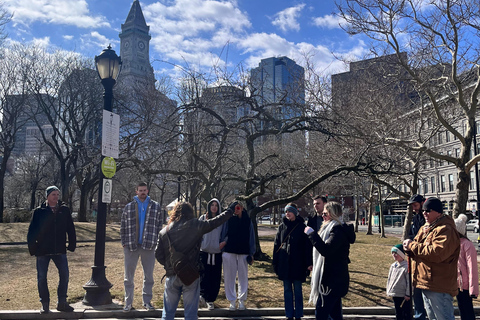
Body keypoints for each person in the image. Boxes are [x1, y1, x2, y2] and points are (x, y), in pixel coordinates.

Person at [155, 201, 241, 320]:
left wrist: (169, 265)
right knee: (190, 314)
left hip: (171, 274)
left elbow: (158, 254)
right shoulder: (196, 225)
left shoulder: (165, 231)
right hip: (191, 274)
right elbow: (215, 222)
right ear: (191, 212)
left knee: (167, 313)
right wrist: (230, 211)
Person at [403, 197, 460, 320]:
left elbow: (437, 253)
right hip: (427, 282)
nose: (424, 213)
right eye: (423, 210)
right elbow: (419, 248)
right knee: (433, 317)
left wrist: (412, 245)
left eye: (428, 210)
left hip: (439, 284)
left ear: (438, 212)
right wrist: (409, 248)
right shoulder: (427, 227)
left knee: (444, 317)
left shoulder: (445, 229)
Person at [27, 186, 76, 314]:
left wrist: (72, 245)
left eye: (57, 194)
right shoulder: (39, 211)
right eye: (53, 194)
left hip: (60, 250)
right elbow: (32, 231)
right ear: (47, 196)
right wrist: (33, 248)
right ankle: (45, 304)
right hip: (43, 250)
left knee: (64, 275)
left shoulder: (64, 210)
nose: (56, 197)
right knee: (42, 278)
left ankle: (62, 303)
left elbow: (70, 228)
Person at [304, 201, 356, 320]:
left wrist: (312, 234)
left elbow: (326, 250)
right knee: (335, 313)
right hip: (333, 278)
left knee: (322, 312)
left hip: (332, 279)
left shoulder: (338, 230)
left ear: (333, 214)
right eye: (323, 214)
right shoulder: (332, 229)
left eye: (325, 214)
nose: (323, 216)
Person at [121, 182, 163, 312]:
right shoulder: (128, 207)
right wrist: (124, 241)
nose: (142, 192)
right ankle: (128, 303)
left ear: (148, 191)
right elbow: (123, 225)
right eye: (140, 190)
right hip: (131, 245)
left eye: (144, 190)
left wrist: (156, 240)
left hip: (149, 246)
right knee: (128, 277)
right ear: (136, 191)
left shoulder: (156, 207)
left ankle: (147, 302)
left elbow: (159, 225)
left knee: (149, 276)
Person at [273, 203, 311, 320]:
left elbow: (307, 247)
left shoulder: (301, 226)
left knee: (298, 290)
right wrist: (276, 262)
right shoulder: (281, 227)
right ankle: (289, 314)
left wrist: (308, 263)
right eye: (286, 211)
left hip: (298, 264)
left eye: (289, 211)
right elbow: (276, 245)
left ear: (295, 212)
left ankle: (298, 314)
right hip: (285, 263)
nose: (287, 213)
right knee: (287, 290)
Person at [220, 204, 256, 310]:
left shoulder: (247, 220)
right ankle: (231, 300)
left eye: (239, 207)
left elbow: (251, 236)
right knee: (229, 277)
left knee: (243, 277)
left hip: (244, 252)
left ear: (242, 208)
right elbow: (223, 233)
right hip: (229, 251)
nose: (237, 209)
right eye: (235, 207)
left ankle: (241, 300)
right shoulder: (228, 219)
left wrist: (251, 252)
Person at [198, 198, 226, 310]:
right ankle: (202, 297)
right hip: (204, 252)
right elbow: (197, 233)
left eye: (216, 205)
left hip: (217, 252)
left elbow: (227, 233)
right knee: (204, 276)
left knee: (215, 277)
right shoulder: (202, 218)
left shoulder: (222, 220)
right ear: (209, 206)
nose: (214, 207)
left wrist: (223, 243)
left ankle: (211, 300)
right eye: (212, 205)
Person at [454, 214, 479, 320]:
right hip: (456, 284)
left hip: (465, 286)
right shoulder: (453, 244)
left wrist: (473, 290)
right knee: (462, 309)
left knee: (468, 310)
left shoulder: (467, 245)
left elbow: (472, 268)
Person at [407, 194, 427, 320]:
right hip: (415, 259)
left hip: (425, 260)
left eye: (415, 205)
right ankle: (419, 315)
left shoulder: (427, 219)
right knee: (417, 292)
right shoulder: (415, 218)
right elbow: (411, 235)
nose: (414, 208)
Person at [386, 244, 411, 320]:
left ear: (401, 254)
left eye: (396, 253)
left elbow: (409, 281)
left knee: (405, 313)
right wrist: (388, 289)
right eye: (392, 253)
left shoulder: (406, 266)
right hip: (395, 293)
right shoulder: (393, 266)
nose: (394, 255)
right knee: (398, 312)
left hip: (403, 295)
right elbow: (389, 279)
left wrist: (408, 294)